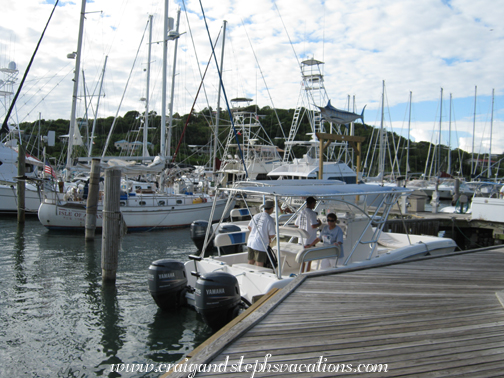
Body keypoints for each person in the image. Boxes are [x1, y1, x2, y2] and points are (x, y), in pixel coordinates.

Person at [247, 200, 276, 267]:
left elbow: (249, 227)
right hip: (260, 243)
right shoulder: (270, 219)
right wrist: (268, 237)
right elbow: (272, 235)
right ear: (272, 208)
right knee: (259, 263)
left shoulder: (256, 215)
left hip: (250, 241)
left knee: (251, 261)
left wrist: (255, 233)